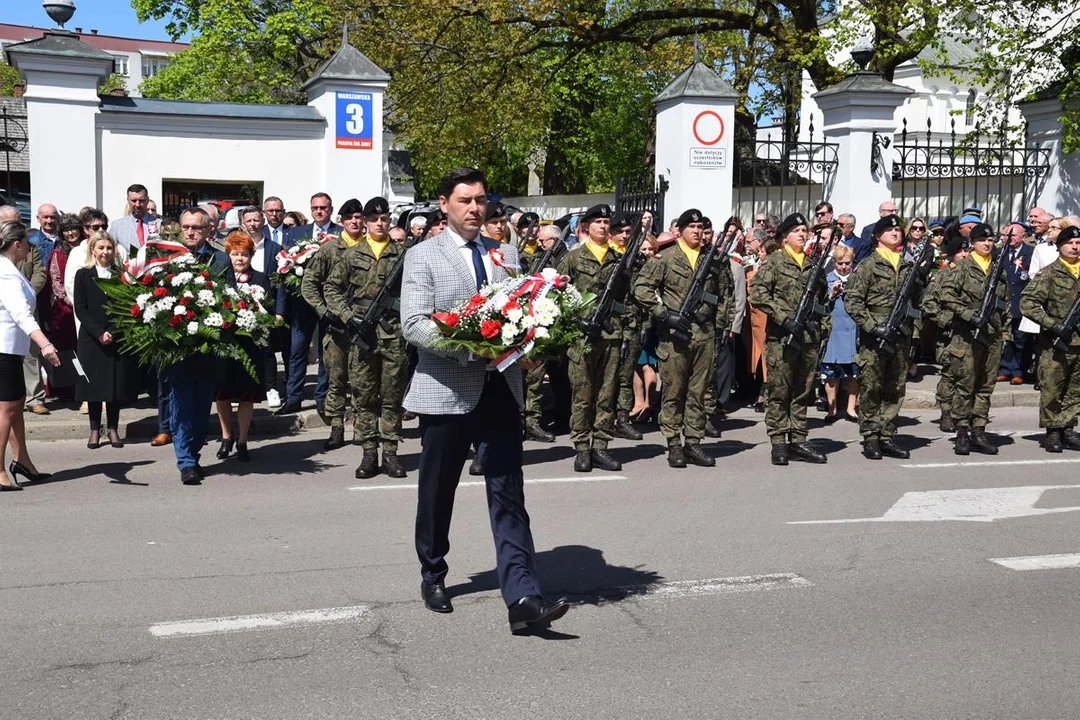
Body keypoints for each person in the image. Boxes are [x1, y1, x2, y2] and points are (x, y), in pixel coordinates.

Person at [401, 167, 569, 634]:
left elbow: (523, 311)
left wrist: (528, 348)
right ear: (444, 204)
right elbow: (414, 324)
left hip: (500, 390)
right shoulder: (422, 256)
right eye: (465, 200)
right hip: (446, 391)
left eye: (480, 200)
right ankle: (432, 572)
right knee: (437, 492)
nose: (475, 209)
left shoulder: (505, 252)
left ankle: (523, 597)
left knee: (507, 493)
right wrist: (477, 345)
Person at [633, 208, 734, 468]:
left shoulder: (712, 260)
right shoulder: (666, 258)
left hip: (704, 336)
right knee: (674, 392)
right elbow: (642, 289)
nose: (697, 231)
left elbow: (724, 295)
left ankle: (694, 443)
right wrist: (665, 315)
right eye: (692, 227)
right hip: (674, 338)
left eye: (700, 227)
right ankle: (674, 445)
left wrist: (720, 327)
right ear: (681, 230)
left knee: (698, 393)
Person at [325, 196, 408, 478]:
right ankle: (369, 453)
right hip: (362, 335)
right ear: (367, 222)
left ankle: (391, 453)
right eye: (374, 219)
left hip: (394, 334)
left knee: (392, 396)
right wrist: (349, 317)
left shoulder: (402, 254)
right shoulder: (351, 254)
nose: (379, 224)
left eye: (384, 219)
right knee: (363, 396)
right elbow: (331, 289)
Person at [749, 213, 829, 465]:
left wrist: (822, 326)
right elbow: (759, 294)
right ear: (784, 237)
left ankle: (798, 439)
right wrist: (784, 317)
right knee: (779, 390)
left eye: (804, 230)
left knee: (802, 390)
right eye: (796, 231)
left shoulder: (813, 263)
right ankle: (779, 442)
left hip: (808, 337)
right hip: (781, 339)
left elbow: (822, 299)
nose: (802, 234)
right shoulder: (774, 262)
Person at [558, 203, 626, 472]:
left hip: (611, 333)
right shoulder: (574, 257)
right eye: (597, 221)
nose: (602, 225)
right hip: (582, 335)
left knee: (606, 394)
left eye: (606, 221)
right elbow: (558, 292)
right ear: (586, 226)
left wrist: (621, 321)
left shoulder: (618, 259)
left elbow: (626, 298)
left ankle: (601, 446)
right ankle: (582, 448)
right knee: (582, 394)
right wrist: (578, 321)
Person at [167, 207, 233, 485]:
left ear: (208, 230)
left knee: (200, 406)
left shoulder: (220, 260)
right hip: (176, 349)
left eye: (196, 227)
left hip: (207, 348)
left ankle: (192, 454)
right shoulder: (168, 258)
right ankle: (186, 462)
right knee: (180, 405)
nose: (191, 232)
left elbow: (231, 300)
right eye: (186, 227)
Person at [845, 215, 915, 460]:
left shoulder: (908, 266)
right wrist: (873, 327)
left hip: (900, 336)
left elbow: (917, 303)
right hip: (875, 338)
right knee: (871, 387)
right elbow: (852, 302)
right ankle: (871, 437)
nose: (895, 233)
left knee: (895, 387)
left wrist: (912, 332)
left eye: (898, 229)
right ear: (877, 236)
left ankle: (887, 435)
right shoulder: (868, 265)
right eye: (889, 230)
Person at [0, 220, 62, 490]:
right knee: (6, 411)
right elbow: (21, 314)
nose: (29, 246)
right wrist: (45, 344)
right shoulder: (6, 273)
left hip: (12, 350)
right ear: (17, 245)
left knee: (15, 409)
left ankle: (22, 460)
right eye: (26, 242)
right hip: (4, 350)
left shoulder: (9, 270)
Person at [939, 223, 1010, 455]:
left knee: (985, 386)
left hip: (992, 336)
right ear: (973, 243)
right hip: (967, 337)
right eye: (982, 240)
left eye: (990, 241)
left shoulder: (998, 270)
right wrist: (969, 315)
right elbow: (946, 295)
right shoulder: (963, 268)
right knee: (964, 385)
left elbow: (1006, 305)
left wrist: (1006, 332)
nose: (987, 244)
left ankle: (979, 430)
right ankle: (961, 432)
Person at [301, 197, 362, 451]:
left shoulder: (373, 248)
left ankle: (361, 428)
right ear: (342, 221)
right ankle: (336, 428)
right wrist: (324, 311)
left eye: (359, 217)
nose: (355, 222)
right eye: (350, 218)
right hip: (337, 326)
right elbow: (309, 284)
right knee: (336, 381)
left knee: (363, 381)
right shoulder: (329, 250)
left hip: (364, 326)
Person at [276, 194, 341, 417]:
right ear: (310, 209)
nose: (319, 211)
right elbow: (284, 270)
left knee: (326, 353)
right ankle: (293, 398)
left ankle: (322, 398)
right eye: (315, 208)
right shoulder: (296, 233)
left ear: (331, 209)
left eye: (323, 207)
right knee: (297, 352)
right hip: (302, 303)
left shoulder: (340, 234)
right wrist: (281, 309)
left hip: (330, 303)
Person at [1020, 225, 1080, 453]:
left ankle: (1068, 428)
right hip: (1056, 343)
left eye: (1078, 243)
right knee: (1052, 388)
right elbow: (1027, 303)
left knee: (1075, 389)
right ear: (1060, 246)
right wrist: (1053, 324)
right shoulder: (1049, 273)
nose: (1075, 247)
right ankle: (1052, 432)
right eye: (1070, 243)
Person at [73, 231, 135, 449]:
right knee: (94, 387)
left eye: (109, 248)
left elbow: (126, 307)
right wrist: (99, 332)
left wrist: (112, 331)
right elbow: (80, 308)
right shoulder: (83, 275)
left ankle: (113, 429)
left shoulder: (122, 276)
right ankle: (94, 429)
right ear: (93, 250)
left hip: (115, 337)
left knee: (113, 387)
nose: (105, 252)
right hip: (91, 339)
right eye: (101, 248)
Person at [214, 231, 268, 463]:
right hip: (226, 344)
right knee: (223, 394)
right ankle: (226, 437)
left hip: (250, 345)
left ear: (251, 256)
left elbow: (267, 310)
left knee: (246, 395)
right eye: (234, 254)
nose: (239, 259)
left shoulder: (261, 279)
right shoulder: (220, 279)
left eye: (244, 254)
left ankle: (243, 440)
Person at [920, 233, 969, 432]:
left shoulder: (975, 275)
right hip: (948, 335)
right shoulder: (941, 276)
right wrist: (944, 320)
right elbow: (928, 303)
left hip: (968, 334)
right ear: (951, 255)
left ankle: (964, 413)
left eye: (967, 250)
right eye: (960, 251)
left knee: (967, 375)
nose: (965, 255)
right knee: (950, 374)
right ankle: (946, 413)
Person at [41, 213, 83, 397]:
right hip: (65, 309)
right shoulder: (58, 253)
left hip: (84, 306)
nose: (70, 233)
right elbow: (56, 282)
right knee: (66, 349)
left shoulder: (87, 249)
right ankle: (66, 389)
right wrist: (71, 301)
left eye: (73, 228)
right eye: (66, 230)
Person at [820, 243, 859, 422]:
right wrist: (831, 294)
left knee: (852, 372)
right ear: (834, 262)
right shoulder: (826, 279)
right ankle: (832, 409)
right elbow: (820, 306)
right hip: (833, 330)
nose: (843, 267)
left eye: (847, 263)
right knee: (831, 374)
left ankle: (851, 408)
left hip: (852, 330)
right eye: (840, 263)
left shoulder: (858, 280)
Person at [997, 222, 1034, 384]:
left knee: (1021, 339)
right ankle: (1005, 369)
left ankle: (1019, 370)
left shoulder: (1030, 253)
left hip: (1022, 301)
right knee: (1007, 337)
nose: (1009, 238)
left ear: (1023, 236)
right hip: (1005, 302)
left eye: (1013, 235)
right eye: (1007, 235)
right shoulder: (1000, 253)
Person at [111, 184, 155, 256]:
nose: (137, 204)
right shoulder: (116, 226)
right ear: (128, 200)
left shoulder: (160, 224)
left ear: (147, 200)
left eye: (141, 200)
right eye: (134, 201)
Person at [853, 200, 898, 264]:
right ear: (881, 213)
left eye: (895, 211)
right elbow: (865, 252)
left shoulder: (899, 229)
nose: (894, 213)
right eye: (890, 211)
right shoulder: (870, 230)